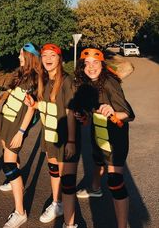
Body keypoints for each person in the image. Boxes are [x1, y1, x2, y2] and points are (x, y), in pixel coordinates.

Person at [74, 48, 135, 228]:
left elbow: (129, 113)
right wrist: (84, 117)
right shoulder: (87, 84)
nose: (91, 67)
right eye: (87, 64)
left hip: (116, 138)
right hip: (98, 131)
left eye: (96, 63)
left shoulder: (109, 83)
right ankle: (95, 188)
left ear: (102, 64)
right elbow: (89, 113)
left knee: (115, 182)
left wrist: (114, 112)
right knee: (97, 159)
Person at [25, 43, 80, 228]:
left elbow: (70, 112)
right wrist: (33, 105)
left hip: (64, 139)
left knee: (67, 181)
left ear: (60, 59)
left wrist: (71, 141)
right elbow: (47, 107)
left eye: (52, 55)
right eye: (45, 55)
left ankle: (70, 223)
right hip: (48, 137)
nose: (48, 58)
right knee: (54, 172)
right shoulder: (44, 80)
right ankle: (57, 204)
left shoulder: (66, 81)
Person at [0, 42, 40, 228]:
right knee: (8, 154)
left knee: (8, 163)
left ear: (28, 56)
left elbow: (31, 108)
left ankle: (20, 212)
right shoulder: (20, 73)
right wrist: (1, 97)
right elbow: (9, 91)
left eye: (21, 55)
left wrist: (22, 132)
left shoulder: (34, 79)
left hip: (16, 125)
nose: (18, 57)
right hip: (6, 119)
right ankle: (15, 181)